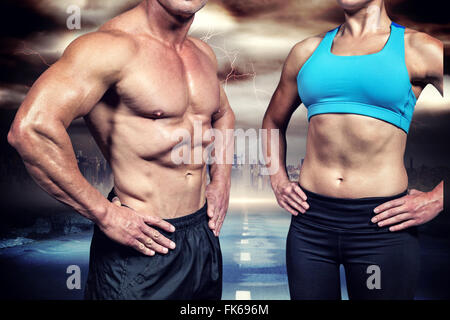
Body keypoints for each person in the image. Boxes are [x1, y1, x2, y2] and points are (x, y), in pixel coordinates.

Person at [7, 0, 235, 300]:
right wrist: (104, 214)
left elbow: (223, 113)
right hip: (140, 244)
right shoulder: (109, 48)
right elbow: (31, 129)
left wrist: (220, 181)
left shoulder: (202, 53)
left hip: (202, 236)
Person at [262, 0, 444, 300]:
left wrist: (439, 199)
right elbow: (272, 120)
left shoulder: (419, 49)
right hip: (311, 226)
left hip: (380, 229)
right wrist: (278, 179)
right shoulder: (306, 52)